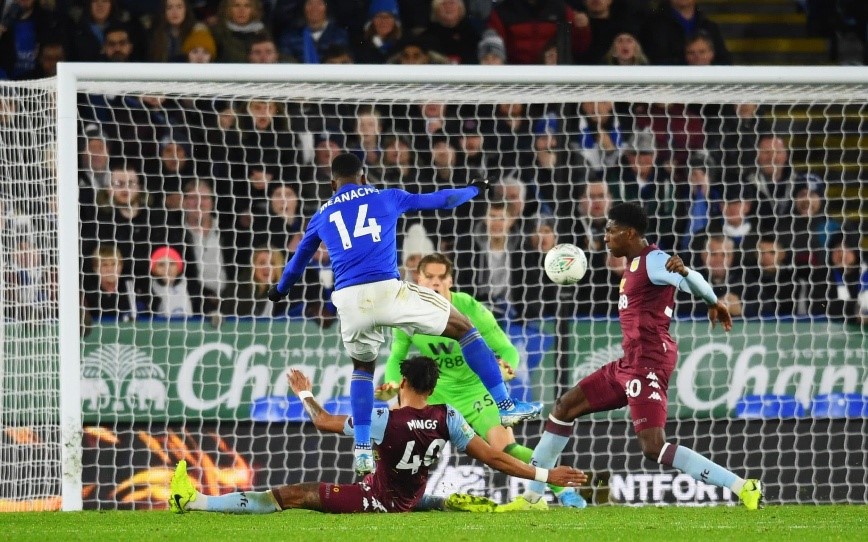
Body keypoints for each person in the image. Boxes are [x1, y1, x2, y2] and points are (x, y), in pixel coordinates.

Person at [267, 153, 542, 475]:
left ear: (332, 183)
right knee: (465, 328)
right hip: (388, 289)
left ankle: (363, 450)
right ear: (364, 176)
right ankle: (506, 406)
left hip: (349, 300)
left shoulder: (321, 214)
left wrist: (280, 291)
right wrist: (472, 190)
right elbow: (442, 200)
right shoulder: (386, 196)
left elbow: (298, 260)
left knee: (363, 369)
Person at [501, 202, 764, 511]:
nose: (606, 238)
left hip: (649, 363)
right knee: (563, 408)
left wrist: (700, 286)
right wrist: (712, 301)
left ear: (629, 233)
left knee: (653, 446)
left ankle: (743, 486)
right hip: (628, 362)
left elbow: (691, 280)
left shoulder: (654, 259)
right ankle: (532, 498)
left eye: (611, 231)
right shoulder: (632, 265)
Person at [169, 357, 586, 514]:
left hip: (378, 501)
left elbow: (323, 421)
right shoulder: (450, 417)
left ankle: (194, 500)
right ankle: (518, 506)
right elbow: (494, 458)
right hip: (406, 497)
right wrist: (546, 477)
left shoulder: (384, 419)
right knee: (445, 504)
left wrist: (305, 393)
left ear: (404, 379)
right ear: (432, 385)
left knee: (291, 495)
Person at [378, 254, 587, 508]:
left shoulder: (471, 309)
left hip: (475, 390)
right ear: (418, 279)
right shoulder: (409, 313)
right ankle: (383, 491)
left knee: (504, 449)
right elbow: (396, 358)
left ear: (450, 280)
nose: (435, 283)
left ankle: (562, 488)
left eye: (441, 277)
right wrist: (391, 383)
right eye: (429, 277)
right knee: (395, 431)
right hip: (436, 392)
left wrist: (509, 367)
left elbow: (507, 350)